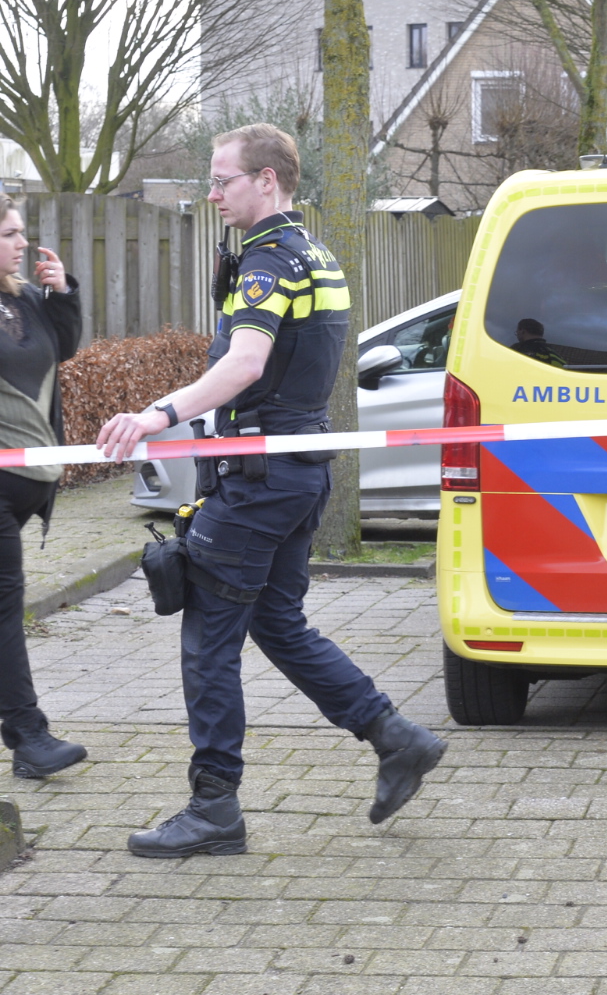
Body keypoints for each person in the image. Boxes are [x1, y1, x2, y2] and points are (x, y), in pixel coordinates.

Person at [97, 124, 446, 857]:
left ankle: (214, 808)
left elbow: (247, 363)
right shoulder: (315, 253)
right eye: (212, 181)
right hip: (298, 472)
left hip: (258, 484)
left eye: (223, 180)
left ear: (267, 180)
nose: (213, 193)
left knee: (208, 642)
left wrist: (156, 413)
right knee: (279, 624)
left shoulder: (269, 262)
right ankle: (396, 736)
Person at [0, 200, 85, 780]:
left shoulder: (24, 300)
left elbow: (66, 347)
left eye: (23, 231)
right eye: (9, 233)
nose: (22, 243)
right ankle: (28, 736)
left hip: (29, 484)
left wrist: (61, 294)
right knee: (6, 604)